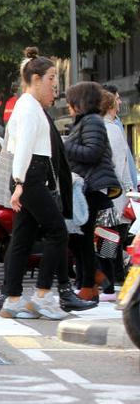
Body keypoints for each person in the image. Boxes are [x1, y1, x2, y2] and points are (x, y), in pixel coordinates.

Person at [0, 47, 72, 320]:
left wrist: (19, 182)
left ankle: (13, 299)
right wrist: (19, 183)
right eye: (52, 77)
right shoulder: (29, 107)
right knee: (57, 232)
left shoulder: (28, 106)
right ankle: (41, 295)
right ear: (37, 78)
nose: (55, 83)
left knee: (22, 238)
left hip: (29, 176)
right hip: (31, 176)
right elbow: (24, 148)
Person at [64, 81, 122, 302]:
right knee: (79, 236)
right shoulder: (86, 121)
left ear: (80, 102)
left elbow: (93, 152)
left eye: (71, 101)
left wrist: (64, 146)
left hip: (93, 186)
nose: (68, 105)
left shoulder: (92, 122)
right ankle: (94, 279)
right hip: (89, 185)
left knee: (82, 236)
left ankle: (90, 284)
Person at [101, 89, 133, 301]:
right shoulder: (111, 129)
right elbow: (119, 165)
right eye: (117, 99)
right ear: (110, 104)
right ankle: (110, 282)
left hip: (110, 192)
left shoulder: (108, 126)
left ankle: (111, 281)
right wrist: (130, 189)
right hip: (116, 194)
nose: (120, 101)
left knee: (111, 237)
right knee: (113, 238)